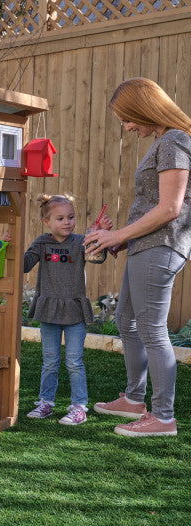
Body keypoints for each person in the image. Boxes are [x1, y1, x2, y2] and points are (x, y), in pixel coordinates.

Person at [85, 77, 191, 437]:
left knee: (150, 328)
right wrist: (118, 240)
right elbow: (152, 207)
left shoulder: (175, 139)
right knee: (126, 319)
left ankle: (163, 418)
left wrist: (117, 235)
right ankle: (134, 398)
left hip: (162, 248)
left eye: (129, 119)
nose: (128, 127)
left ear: (145, 109)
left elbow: (170, 209)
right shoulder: (164, 140)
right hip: (146, 246)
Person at [7, 193, 112, 425]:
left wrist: (96, 236)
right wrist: (10, 246)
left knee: (74, 361)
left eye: (71, 217)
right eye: (61, 218)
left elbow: (96, 258)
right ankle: (46, 403)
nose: (67, 222)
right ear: (46, 222)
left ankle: (78, 407)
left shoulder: (80, 241)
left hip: (74, 312)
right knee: (50, 360)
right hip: (49, 311)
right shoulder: (42, 243)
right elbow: (24, 266)